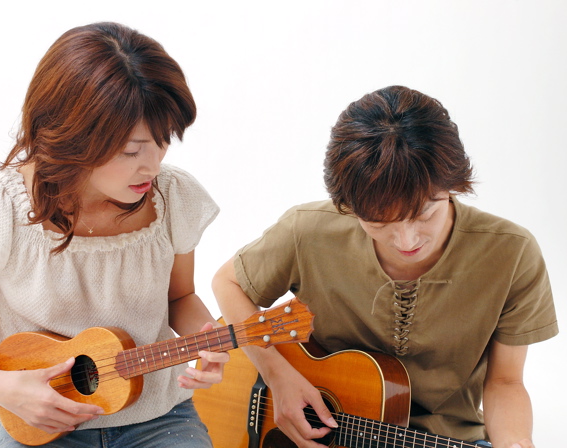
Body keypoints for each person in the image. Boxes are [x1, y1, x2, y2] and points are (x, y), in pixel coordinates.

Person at [212, 85, 558, 448]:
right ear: (348, 206)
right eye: (378, 223)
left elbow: (505, 382)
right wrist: (277, 375)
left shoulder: (512, 253)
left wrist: (516, 442)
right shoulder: (307, 231)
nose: (407, 241)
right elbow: (228, 283)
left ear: (453, 185)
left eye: (425, 214)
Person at [0, 22, 229, 448]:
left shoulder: (172, 198)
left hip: (158, 415)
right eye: (131, 150)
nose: (152, 165)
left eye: (163, 140)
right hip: (41, 423)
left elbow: (179, 297)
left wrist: (205, 342)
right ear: (72, 138)